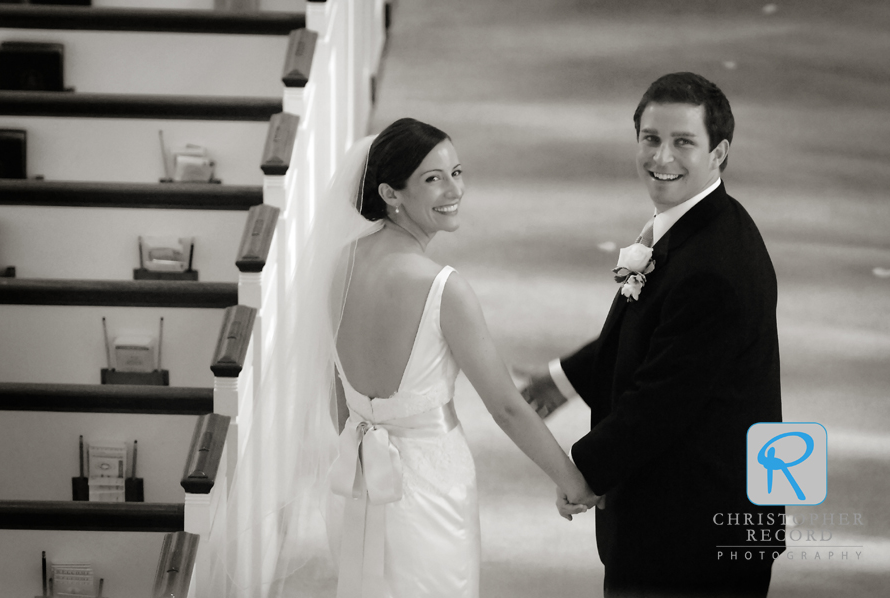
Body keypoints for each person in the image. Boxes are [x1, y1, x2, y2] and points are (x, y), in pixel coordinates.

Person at [521, 73, 785, 597]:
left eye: (683, 141)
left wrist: (582, 472)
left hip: (693, 538)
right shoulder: (700, 225)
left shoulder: (714, 265)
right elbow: (656, 332)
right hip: (686, 523)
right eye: (651, 138)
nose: (662, 157)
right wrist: (562, 379)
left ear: (719, 152)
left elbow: (660, 404)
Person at [324, 118, 602, 598]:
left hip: (358, 481)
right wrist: (572, 480)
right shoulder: (441, 287)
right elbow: (506, 407)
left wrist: (368, 450)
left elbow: (337, 398)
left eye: (457, 172)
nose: (454, 189)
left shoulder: (341, 263)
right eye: (433, 179)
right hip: (429, 486)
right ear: (391, 193)